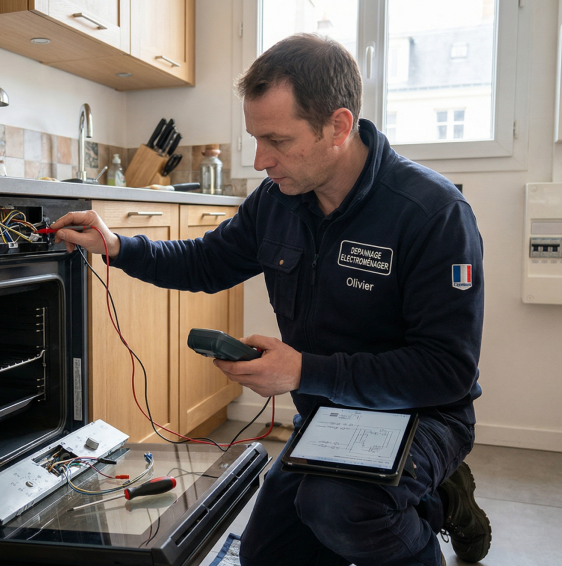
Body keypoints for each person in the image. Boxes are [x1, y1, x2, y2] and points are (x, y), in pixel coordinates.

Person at [51, 33, 491, 566]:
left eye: (277, 140)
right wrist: (118, 246)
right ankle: (416, 496)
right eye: (254, 138)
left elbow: (446, 370)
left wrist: (303, 371)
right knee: (267, 556)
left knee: (340, 508)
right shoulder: (278, 201)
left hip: (422, 416)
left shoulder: (433, 213)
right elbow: (206, 262)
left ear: (339, 126)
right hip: (329, 414)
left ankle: (434, 502)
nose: (260, 159)